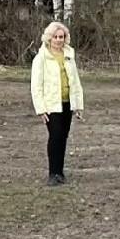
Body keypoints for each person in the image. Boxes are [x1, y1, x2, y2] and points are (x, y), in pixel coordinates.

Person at [29, 21, 85, 185]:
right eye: (56, 37)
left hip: (67, 103)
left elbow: (75, 81)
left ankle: (60, 172)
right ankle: (53, 173)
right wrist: (40, 109)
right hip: (51, 104)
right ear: (49, 38)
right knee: (55, 136)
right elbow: (36, 85)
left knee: (63, 137)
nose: (59, 40)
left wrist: (78, 105)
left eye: (61, 37)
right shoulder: (41, 58)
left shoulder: (69, 56)